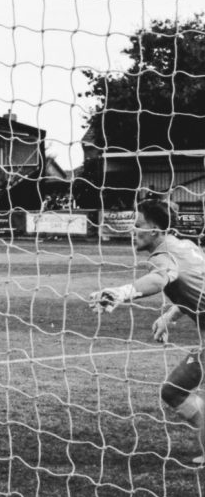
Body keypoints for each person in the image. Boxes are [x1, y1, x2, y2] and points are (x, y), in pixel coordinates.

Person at [90, 198, 205, 463]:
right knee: (173, 390)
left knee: (174, 391)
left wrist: (122, 292)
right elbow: (197, 285)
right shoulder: (185, 245)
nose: (133, 230)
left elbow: (159, 278)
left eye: (138, 224)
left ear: (154, 229)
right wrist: (170, 315)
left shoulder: (161, 256)